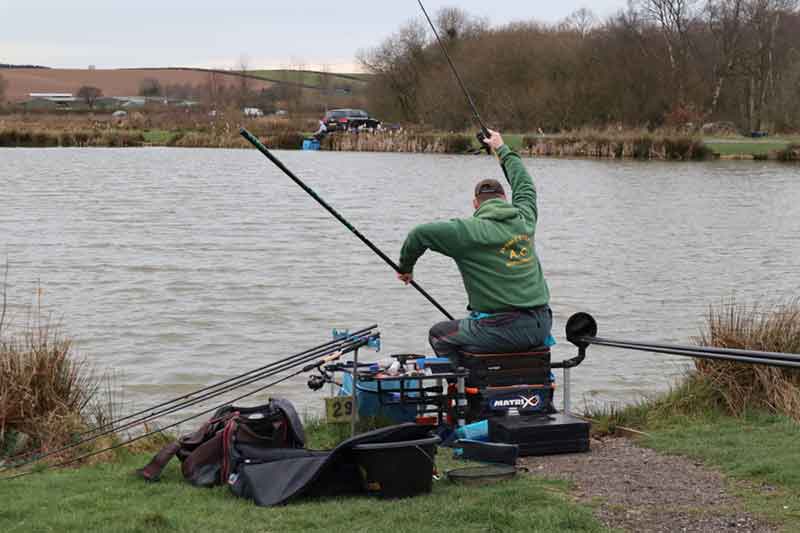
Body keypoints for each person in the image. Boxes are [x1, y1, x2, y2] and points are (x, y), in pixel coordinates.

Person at [397, 129, 552, 366]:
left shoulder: (467, 232)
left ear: (475, 204)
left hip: (504, 329)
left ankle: (461, 394)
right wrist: (501, 148)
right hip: (542, 324)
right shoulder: (524, 218)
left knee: (440, 334)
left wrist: (406, 268)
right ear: (504, 199)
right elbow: (524, 185)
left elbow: (419, 234)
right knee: (472, 327)